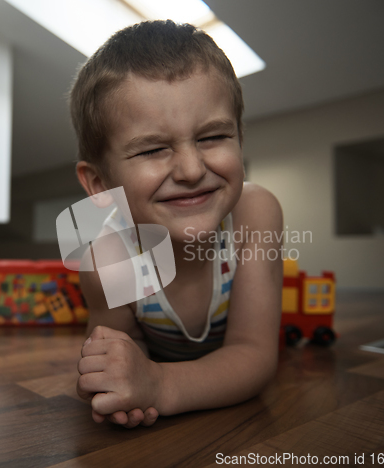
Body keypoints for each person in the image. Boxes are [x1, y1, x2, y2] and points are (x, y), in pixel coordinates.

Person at [69, 19, 283, 429]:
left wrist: (160, 385)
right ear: (100, 184)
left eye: (211, 137)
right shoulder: (108, 260)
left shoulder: (254, 215)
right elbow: (117, 350)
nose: (190, 169)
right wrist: (113, 378)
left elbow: (253, 355)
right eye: (153, 148)